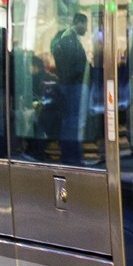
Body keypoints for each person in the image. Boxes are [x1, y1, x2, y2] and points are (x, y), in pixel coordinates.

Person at [50, 10, 92, 166]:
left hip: (70, 86)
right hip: (74, 86)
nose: (86, 29)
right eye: (85, 25)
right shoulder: (69, 40)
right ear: (78, 23)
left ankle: (72, 156)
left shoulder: (66, 39)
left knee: (71, 122)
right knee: (74, 123)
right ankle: (73, 158)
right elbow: (73, 67)